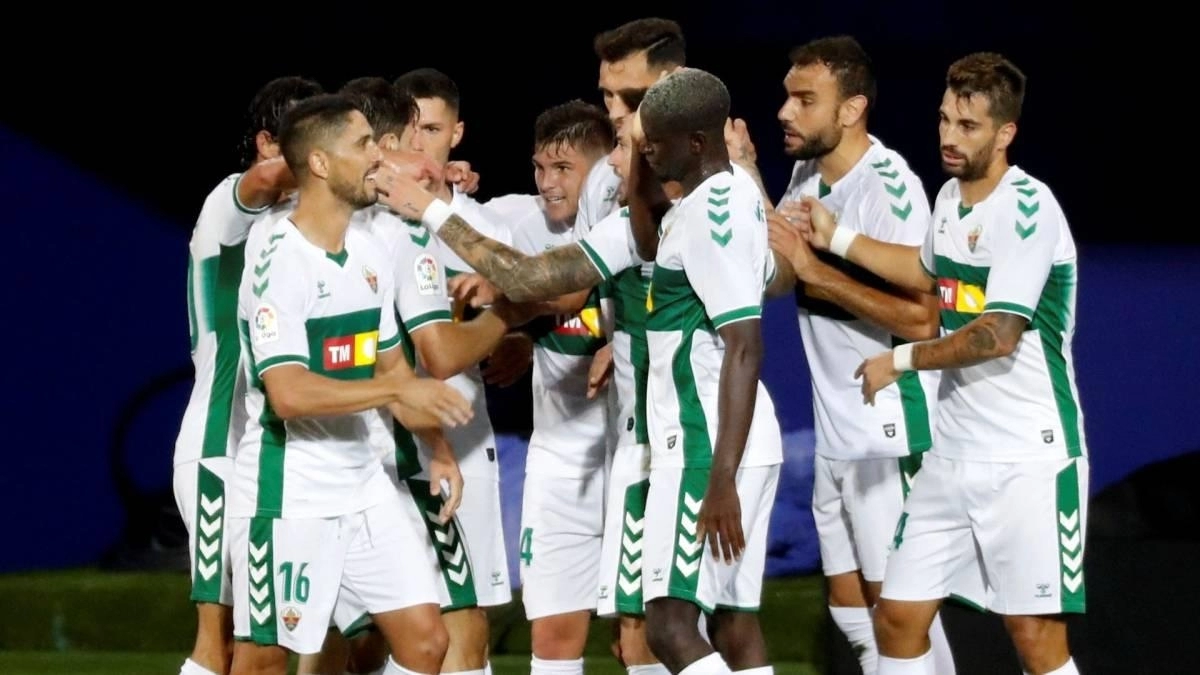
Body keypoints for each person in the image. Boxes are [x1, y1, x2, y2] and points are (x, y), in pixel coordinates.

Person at [788, 52, 1088, 675]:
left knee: (1034, 639)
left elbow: (997, 335)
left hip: (1027, 458)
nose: (950, 137)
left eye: (969, 126)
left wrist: (900, 359)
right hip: (951, 457)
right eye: (945, 119)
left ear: (1005, 133)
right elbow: (924, 270)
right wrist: (835, 237)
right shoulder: (950, 197)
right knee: (896, 619)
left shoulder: (1029, 209)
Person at [227, 92, 472, 675]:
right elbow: (287, 393)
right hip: (287, 495)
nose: (378, 157)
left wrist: (438, 449)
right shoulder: (276, 259)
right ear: (319, 164)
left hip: (362, 487)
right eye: (363, 145)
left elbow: (391, 366)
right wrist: (394, 393)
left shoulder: (366, 251)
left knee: (426, 643)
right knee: (263, 660)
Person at [380, 98, 614, 675]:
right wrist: (522, 337)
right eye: (540, 168)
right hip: (558, 456)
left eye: (564, 170)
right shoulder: (514, 219)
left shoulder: (627, 223)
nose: (548, 183)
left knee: (643, 636)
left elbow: (556, 289)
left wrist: (505, 301)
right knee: (554, 636)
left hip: (635, 448)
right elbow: (474, 223)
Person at [757, 36, 957, 675]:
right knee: (849, 603)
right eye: (787, 96)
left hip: (889, 429)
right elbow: (781, 275)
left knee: (899, 614)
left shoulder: (891, 188)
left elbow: (925, 317)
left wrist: (817, 266)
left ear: (851, 110)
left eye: (804, 100)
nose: (786, 112)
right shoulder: (806, 173)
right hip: (837, 430)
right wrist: (744, 180)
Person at [339, 74, 524, 675]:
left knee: (366, 636)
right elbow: (437, 355)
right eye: (408, 136)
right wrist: (512, 311)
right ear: (384, 141)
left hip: (345, 450)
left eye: (434, 132)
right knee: (457, 624)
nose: (421, 151)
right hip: (407, 447)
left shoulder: (313, 224)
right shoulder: (405, 224)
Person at [629, 67, 781, 675]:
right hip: (733, 439)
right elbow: (646, 233)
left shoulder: (710, 217)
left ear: (695, 142)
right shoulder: (729, 194)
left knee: (668, 625)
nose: (649, 154)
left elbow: (745, 345)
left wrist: (720, 479)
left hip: (704, 443)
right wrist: (642, 146)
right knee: (733, 621)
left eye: (657, 144)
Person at [172, 74, 322, 675]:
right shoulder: (226, 207)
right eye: (309, 140)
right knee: (224, 645)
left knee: (280, 640)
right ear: (268, 142)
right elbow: (264, 182)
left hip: (277, 458)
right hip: (219, 452)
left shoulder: (309, 228)